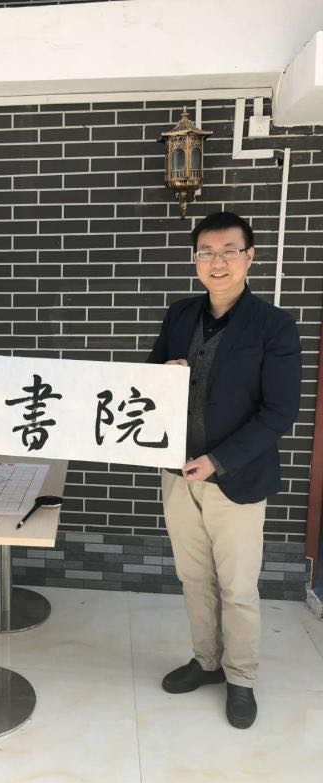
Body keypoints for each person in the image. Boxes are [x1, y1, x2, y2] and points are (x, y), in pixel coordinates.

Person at [148, 211, 301, 729]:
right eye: (206, 252)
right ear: (195, 260)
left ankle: (242, 678)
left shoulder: (274, 326)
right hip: (177, 473)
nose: (217, 262)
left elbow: (279, 411)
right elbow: (144, 380)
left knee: (236, 587)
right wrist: (162, 374)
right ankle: (207, 661)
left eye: (228, 251)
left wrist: (218, 460)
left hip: (237, 477)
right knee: (193, 577)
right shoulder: (179, 315)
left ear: (249, 257)